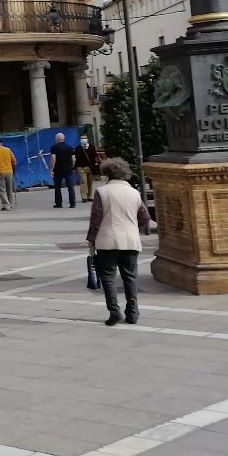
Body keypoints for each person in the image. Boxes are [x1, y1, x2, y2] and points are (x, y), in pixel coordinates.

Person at [86, 158, 151, 326]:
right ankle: (133, 312)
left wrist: (91, 240)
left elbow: (96, 219)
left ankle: (114, 311)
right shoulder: (134, 193)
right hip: (131, 240)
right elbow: (145, 218)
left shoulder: (102, 192)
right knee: (130, 277)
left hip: (107, 240)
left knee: (107, 277)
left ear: (106, 173)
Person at [49, 132, 77, 209]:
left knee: (57, 187)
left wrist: (51, 169)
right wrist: (72, 166)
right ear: (63, 139)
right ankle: (72, 203)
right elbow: (74, 159)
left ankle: (59, 203)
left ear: (56, 139)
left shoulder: (54, 147)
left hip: (58, 170)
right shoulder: (70, 147)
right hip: (68, 169)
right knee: (70, 187)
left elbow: (53, 158)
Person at [75, 135, 102, 203]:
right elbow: (75, 159)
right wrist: (74, 167)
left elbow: (95, 156)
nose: (83, 139)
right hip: (81, 167)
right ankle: (84, 197)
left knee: (90, 182)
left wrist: (97, 164)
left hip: (90, 167)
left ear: (87, 139)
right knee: (84, 181)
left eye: (85, 138)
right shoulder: (77, 148)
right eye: (82, 138)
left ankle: (89, 196)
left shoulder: (92, 147)